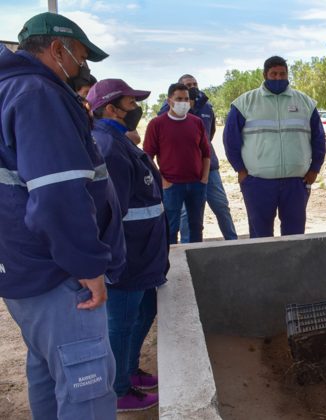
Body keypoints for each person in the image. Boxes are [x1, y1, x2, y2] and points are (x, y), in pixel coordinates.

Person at [0, 12, 126, 419]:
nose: (82, 67)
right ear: (58, 49)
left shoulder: (9, 89)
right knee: (85, 389)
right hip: (60, 276)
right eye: (81, 56)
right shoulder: (39, 93)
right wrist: (86, 264)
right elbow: (57, 194)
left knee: (49, 373)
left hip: (24, 270)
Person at [88, 79, 169, 412]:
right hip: (129, 259)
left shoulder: (120, 141)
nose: (137, 109)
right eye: (131, 103)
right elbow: (110, 213)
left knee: (144, 311)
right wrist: (113, 263)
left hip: (145, 254)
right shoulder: (108, 146)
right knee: (121, 324)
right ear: (110, 109)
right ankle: (119, 388)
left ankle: (128, 370)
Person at [224, 56, 326, 238]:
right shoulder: (245, 103)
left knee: (294, 236)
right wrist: (240, 170)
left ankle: (293, 267)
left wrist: (314, 169)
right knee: (260, 236)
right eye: (274, 74)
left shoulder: (305, 103)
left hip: (296, 182)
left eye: (282, 74)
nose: (278, 78)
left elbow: (318, 139)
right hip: (257, 182)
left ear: (288, 75)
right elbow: (230, 140)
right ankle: (262, 267)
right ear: (265, 75)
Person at [160, 74, 238, 242]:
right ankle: (187, 248)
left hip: (210, 168)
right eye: (188, 85)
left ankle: (232, 240)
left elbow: (209, 135)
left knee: (221, 206)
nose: (193, 87)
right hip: (183, 172)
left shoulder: (207, 107)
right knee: (187, 215)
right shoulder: (168, 108)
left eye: (195, 84)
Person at [144, 82, 210, 244]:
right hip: (172, 186)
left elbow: (206, 153)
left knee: (196, 226)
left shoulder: (196, 122)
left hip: (197, 184)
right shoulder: (157, 124)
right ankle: (173, 262)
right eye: (179, 99)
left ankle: (197, 259)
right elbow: (147, 157)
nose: (183, 103)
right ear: (169, 101)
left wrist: (204, 178)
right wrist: (163, 181)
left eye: (186, 99)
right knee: (171, 227)